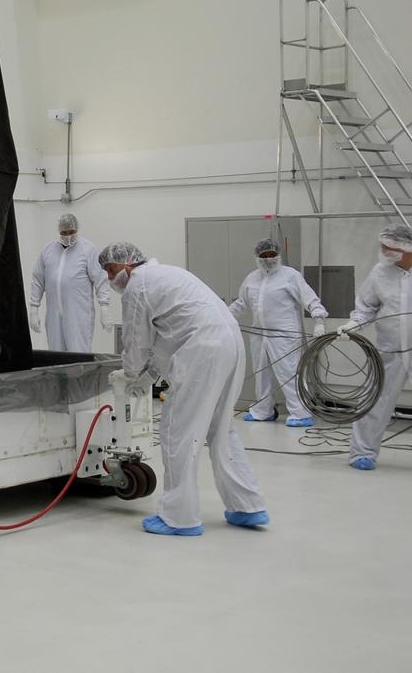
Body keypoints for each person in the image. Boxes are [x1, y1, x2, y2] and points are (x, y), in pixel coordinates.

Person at [100, 242, 268, 535]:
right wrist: (147, 374)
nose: (110, 278)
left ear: (127, 263)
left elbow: (136, 341)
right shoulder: (166, 275)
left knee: (178, 430)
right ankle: (247, 505)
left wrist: (129, 374)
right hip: (229, 343)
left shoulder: (137, 287)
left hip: (203, 350)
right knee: (222, 428)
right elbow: (167, 338)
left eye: (111, 270)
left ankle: (179, 517)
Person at [337, 224, 412, 471]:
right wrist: (352, 325)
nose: (383, 251)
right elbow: (367, 307)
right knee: (376, 400)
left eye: (388, 247)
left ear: (406, 248)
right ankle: (362, 453)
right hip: (391, 350)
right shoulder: (380, 272)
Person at [229, 239, 327, 426]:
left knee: (288, 373)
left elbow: (309, 298)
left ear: (278, 255)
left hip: (284, 334)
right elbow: (241, 303)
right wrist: (223, 316)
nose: (268, 259)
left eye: (272, 255)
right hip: (259, 335)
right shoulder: (252, 278)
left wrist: (319, 319)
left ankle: (301, 413)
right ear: (257, 257)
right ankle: (262, 410)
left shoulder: (290, 276)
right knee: (261, 374)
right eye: (263, 256)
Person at [29, 214, 111, 352]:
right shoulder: (48, 250)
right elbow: (38, 280)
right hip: (54, 315)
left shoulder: (88, 249)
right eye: (64, 233)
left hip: (78, 314)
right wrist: (34, 308)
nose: (68, 236)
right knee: (56, 355)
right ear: (59, 231)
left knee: (78, 354)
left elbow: (100, 279)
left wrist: (104, 307)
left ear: (77, 229)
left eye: (71, 232)